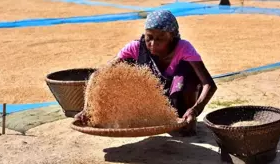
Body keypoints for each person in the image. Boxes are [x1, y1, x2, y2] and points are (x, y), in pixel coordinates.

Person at [75, 10, 217, 137]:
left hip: (179, 96)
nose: (153, 44)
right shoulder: (135, 47)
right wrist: (87, 109)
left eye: (160, 38)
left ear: (172, 36)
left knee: (190, 79)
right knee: (121, 73)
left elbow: (208, 84)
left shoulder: (184, 48)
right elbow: (98, 75)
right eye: (149, 37)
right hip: (154, 100)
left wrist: (195, 110)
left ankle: (187, 122)